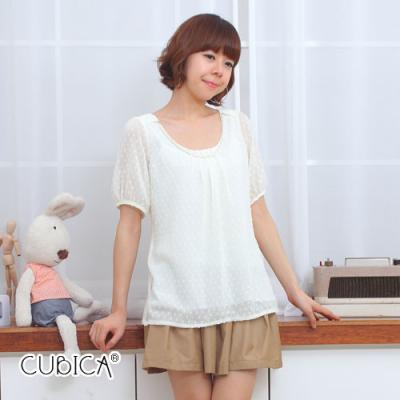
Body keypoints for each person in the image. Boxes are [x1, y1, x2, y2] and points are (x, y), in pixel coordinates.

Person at [89, 13, 340, 399]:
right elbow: (129, 224)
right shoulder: (143, 133)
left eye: (229, 63)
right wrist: (118, 309)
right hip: (178, 305)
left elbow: (259, 214)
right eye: (209, 56)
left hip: (245, 300)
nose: (220, 70)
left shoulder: (239, 127)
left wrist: (294, 291)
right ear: (182, 56)